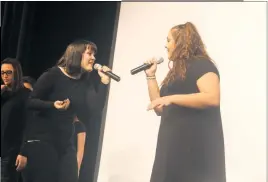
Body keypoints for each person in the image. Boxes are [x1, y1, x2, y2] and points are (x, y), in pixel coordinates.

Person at [20, 40, 111, 182]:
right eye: (89, 53)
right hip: (43, 141)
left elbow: (95, 108)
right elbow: (30, 102)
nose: (93, 58)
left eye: (94, 54)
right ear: (76, 54)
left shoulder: (84, 81)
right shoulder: (53, 75)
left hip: (65, 143)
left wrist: (104, 82)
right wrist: (52, 105)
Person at [145, 22, 226, 182]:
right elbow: (158, 107)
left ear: (181, 42)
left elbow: (212, 97)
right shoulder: (175, 73)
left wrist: (171, 98)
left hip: (194, 149)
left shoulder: (202, 65)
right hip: (171, 147)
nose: (165, 45)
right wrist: (151, 76)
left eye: (168, 40)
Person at [1, 58, 30, 182]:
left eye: (8, 72)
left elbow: (28, 126)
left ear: (16, 73)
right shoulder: (3, 94)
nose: (5, 76)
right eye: (2, 73)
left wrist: (23, 152)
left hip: (12, 152)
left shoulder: (25, 95)